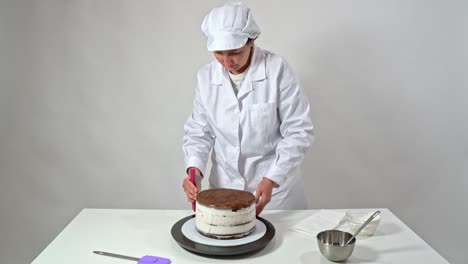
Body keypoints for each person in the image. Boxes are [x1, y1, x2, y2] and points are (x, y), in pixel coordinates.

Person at [182, 2, 314, 215]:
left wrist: (273, 177)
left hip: (274, 195)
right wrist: (194, 170)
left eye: (234, 52)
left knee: (280, 245)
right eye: (218, 53)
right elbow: (199, 131)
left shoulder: (277, 69)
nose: (227, 61)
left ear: (251, 40)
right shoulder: (205, 77)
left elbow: (299, 132)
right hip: (224, 191)